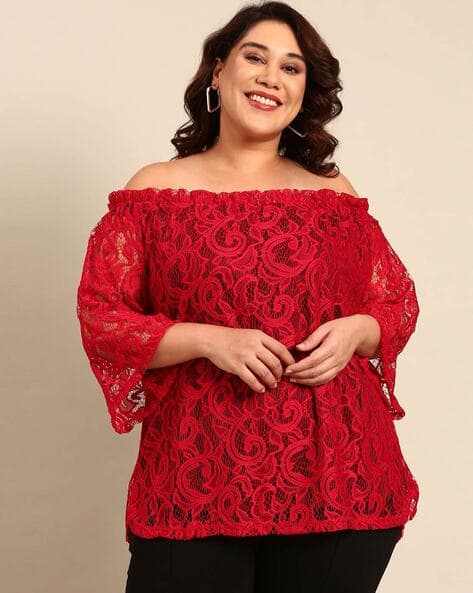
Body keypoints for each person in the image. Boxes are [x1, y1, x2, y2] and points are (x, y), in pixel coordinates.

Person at [76, 2, 420, 592]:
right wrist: (209, 340)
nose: (271, 77)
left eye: (291, 67)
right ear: (218, 70)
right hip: (195, 476)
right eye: (254, 58)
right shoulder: (155, 191)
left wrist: (357, 332)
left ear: (304, 91)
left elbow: (396, 304)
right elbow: (102, 316)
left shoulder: (333, 194)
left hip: (339, 480)